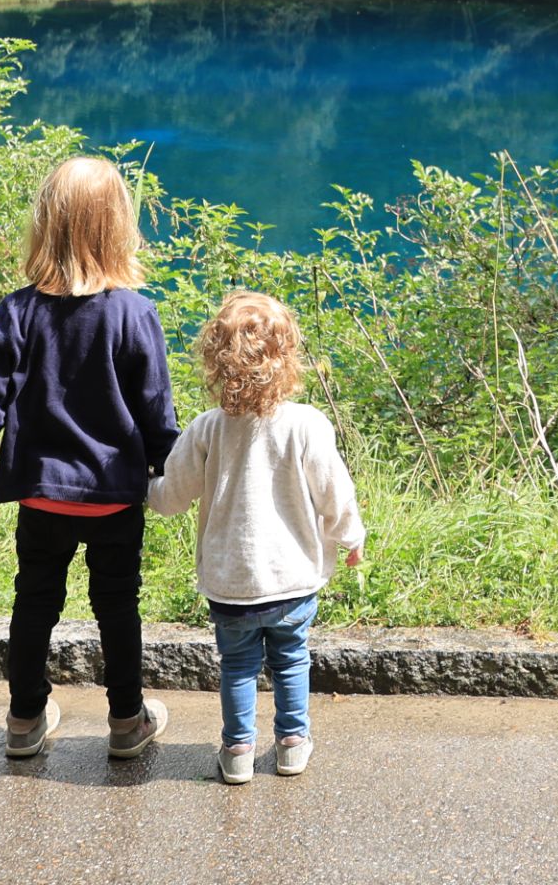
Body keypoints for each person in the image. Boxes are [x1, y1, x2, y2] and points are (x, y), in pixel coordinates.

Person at [0, 155, 180, 760]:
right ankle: (127, 721)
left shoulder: (18, 311)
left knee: (35, 600)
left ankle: (24, 719)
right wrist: (174, 473)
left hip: (42, 492)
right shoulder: (135, 313)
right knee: (117, 606)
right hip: (112, 496)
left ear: (47, 224)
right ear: (117, 226)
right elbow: (156, 412)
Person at [148, 291, 365, 784]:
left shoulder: (207, 429)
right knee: (291, 660)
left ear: (216, 362)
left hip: (230, 583)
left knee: (238, 666)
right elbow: (334, 492)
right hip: (292, 581)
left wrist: (146, 489)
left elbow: (173, 495)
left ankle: (238, 751)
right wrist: (351, 537)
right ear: (287, 358)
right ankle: (291, 743)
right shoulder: (307, 425)